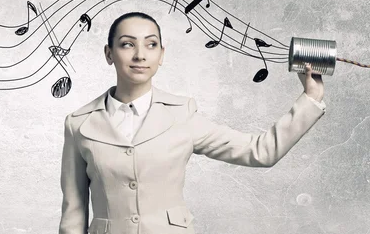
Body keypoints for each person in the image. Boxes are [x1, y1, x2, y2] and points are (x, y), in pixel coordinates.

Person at [58, 12, 326, 234]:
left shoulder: (182, 115)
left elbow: (261, 151)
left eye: (151, 45)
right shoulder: (79, 124)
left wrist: (311, 98)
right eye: (127, 44)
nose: (140, 55)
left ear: (161, 55)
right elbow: (74, 212)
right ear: (109, 53)